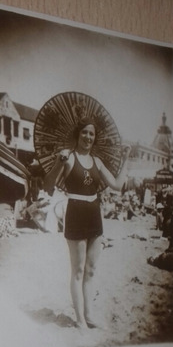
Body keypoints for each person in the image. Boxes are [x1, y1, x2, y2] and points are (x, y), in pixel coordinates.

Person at [44, 118, 130, 329]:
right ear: (77, 134)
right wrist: (58, 162)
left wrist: (127, 157)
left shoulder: (97, 161)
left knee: (91, 270)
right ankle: (80, 319)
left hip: (94, 214)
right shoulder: (68, 157)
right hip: (75, 213)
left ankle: (89, 315)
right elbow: (48, 185)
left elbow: (118, 185)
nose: (88, 137)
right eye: (84, 133)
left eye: (91, 134)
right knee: (78, 270)